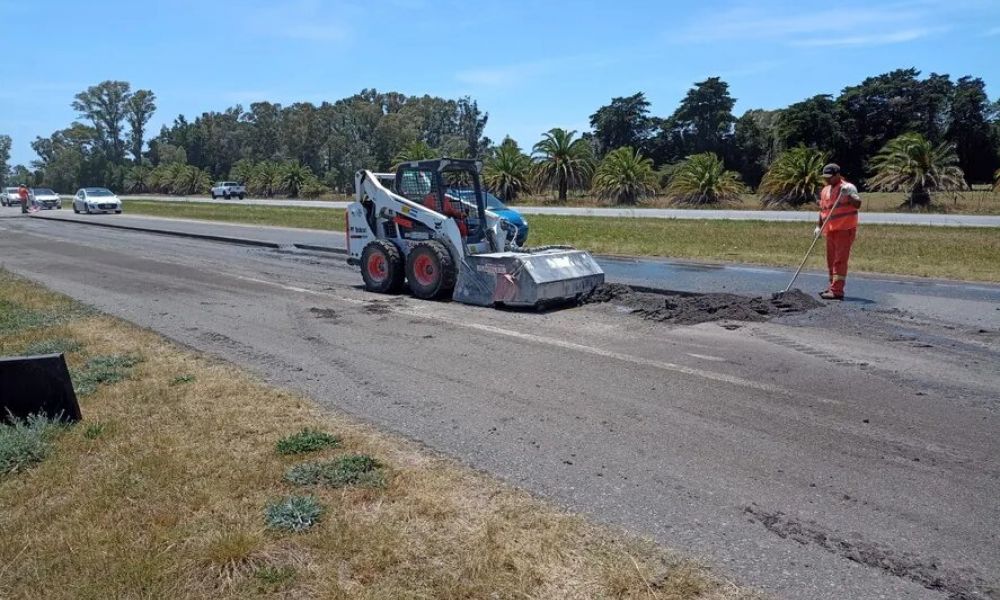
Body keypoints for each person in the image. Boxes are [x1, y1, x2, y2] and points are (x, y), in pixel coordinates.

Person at [816, 163, 861, 300]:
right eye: (825, 177)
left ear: (837, 175)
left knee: (839, 261)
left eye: (830, 177)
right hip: (830, 230)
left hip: (844, 229)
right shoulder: (825, 190)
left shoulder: (847, 187)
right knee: (831, 260)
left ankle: (837, 291)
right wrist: (819, 226)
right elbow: (823, 210)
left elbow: (858, 204)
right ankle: (832, 287)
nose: (827, 180)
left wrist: (850, 195)